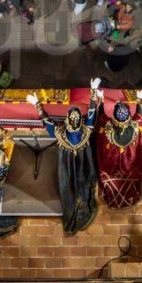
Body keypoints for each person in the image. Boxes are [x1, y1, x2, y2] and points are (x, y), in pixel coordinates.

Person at [29, 80, 103, 235]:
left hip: (83, 165)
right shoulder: (61, 134)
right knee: (67, 192)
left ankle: (82, 215)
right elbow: (48, 123)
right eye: (72, 116)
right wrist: (37, 105)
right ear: (68, 118)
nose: (75, 119)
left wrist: (93, 91)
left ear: (80, 119)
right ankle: (70, 220)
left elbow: (91, 113)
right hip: (67, 168)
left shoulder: (85, 131)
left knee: (84, 190)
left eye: (77, 116)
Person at [95, 89, 142, 208]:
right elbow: (138, 116)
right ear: (128, 116)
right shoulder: (135, 126)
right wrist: (139, 99)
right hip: (130, 169)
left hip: (110, 169)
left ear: (114, 115)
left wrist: (100, 99)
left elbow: (101, 116)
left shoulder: (107, 126)